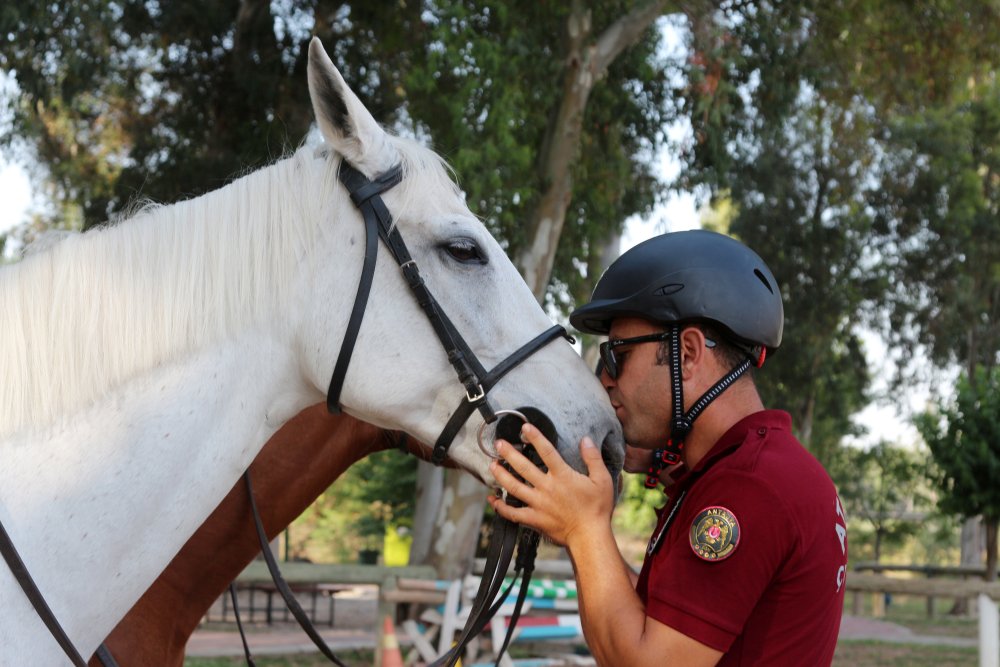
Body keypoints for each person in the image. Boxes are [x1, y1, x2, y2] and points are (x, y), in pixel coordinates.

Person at [488, 230, 847, 667]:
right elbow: (650, 626)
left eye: (617, 355)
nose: (605, 379)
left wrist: (584, 529)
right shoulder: (754, 470)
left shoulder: (747, 488)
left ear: (689, 354)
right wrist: (576, 524)